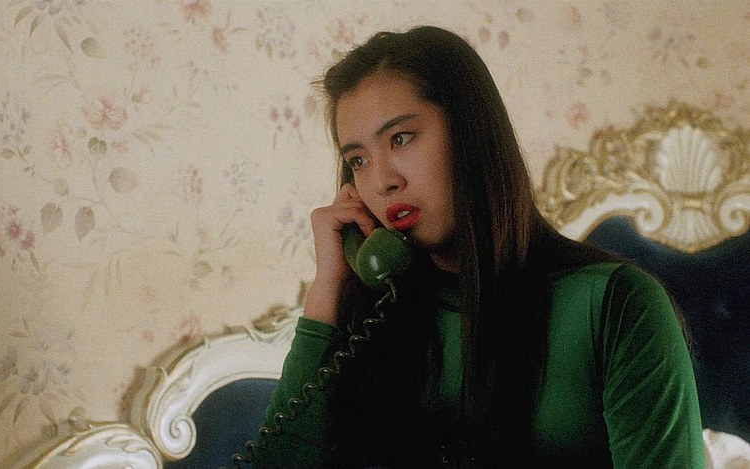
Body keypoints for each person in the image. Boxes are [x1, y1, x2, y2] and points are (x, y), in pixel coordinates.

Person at [239, 25, 705, 468]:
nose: (382, 181)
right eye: (358, 160)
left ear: (470, 134)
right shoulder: (374, 321)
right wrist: (327, 290)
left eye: (401, 138)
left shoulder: (616, 305)